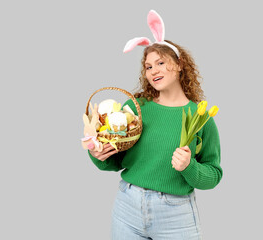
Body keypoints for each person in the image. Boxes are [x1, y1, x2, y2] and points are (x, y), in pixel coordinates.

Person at [88, 10, 222, 240]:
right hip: (127, 205)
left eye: (161, 62)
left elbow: (214, 175)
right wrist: (98, 153)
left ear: (180, 65)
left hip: (176, 213)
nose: (153, 71)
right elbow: (116, 160)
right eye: (149, 67)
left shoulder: (200, 117)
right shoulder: (136, 107)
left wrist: (189, 166)